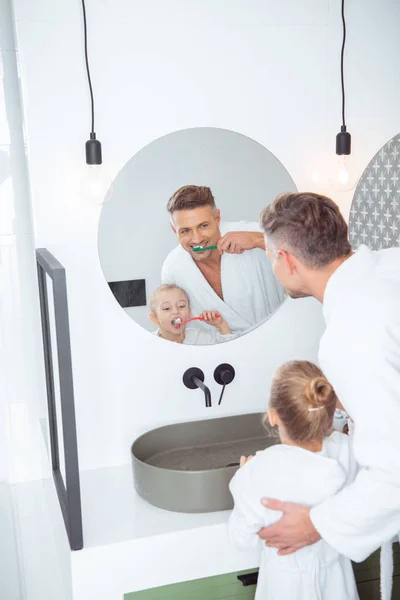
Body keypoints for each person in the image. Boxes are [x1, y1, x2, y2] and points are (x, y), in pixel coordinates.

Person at [257, 192, 400, 598]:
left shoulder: (352, 334)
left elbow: (396, 473)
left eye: (270, 259)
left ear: (286, 260)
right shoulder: (389, 265)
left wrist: (317, 523)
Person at [228, 360, 359, 600]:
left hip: (284, 585)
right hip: (336, 580)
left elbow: (241, 540)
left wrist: (243, 479)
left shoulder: (258, 472)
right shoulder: (348, 451)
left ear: (273, 416)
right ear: (330, 412)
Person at [161, 185, 285, 335]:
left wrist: (259, 240)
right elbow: (178, 326)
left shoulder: (258, 234)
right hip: (223, 354)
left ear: (217, 218)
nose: (196, 239)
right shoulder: (173, 268)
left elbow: (309, 258)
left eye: (203, 226)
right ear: (174, 229)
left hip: (279, 338)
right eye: (185, 230)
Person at [149, 283, 235, 345]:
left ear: (189, 313)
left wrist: (221, 325)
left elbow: (229, 352)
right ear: (154, 318)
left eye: (181, 306)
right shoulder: (149, 343)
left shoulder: (201, 339)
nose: (176, 311)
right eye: (167, 308)